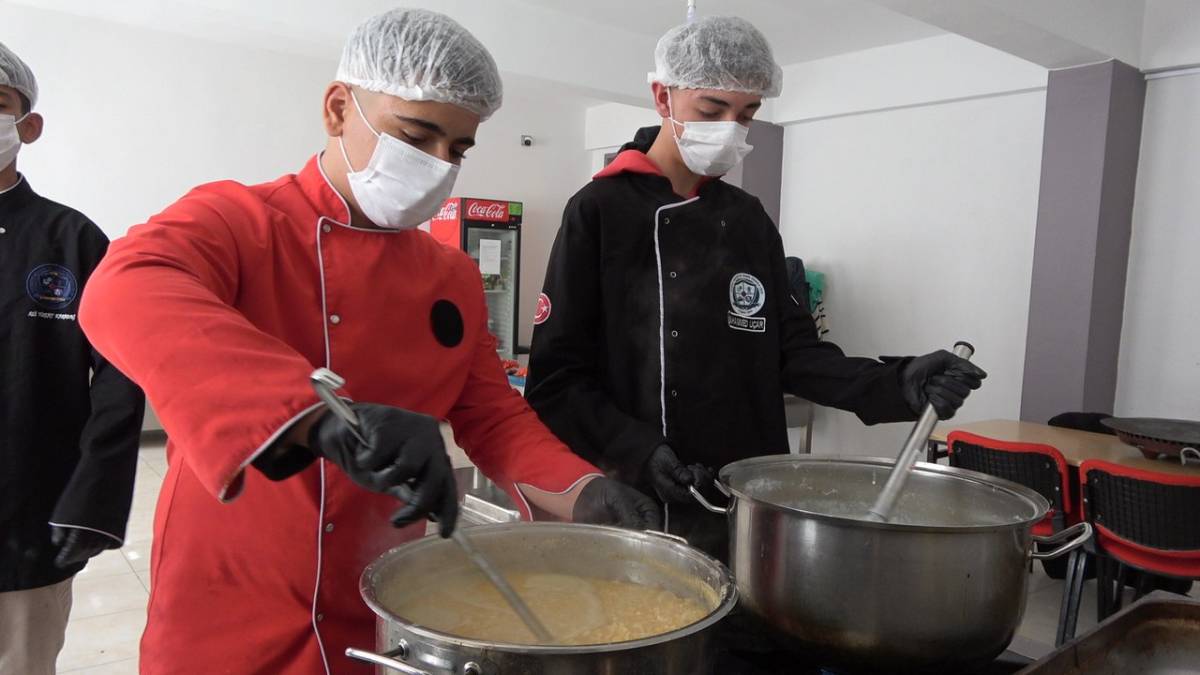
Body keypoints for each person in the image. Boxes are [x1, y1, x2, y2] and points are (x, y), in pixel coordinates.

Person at [78, 9, 657, 674]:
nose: (441, 164)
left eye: (459, 148)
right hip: (225, 610)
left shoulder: (452, 275)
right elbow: (123, 287)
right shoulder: (239, 222)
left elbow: (492, 417)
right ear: (336, 108)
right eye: (418, 134)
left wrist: (582, 488)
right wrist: (321, 417)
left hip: (385, 605)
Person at [524, 16, 987, 558]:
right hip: (637, 500)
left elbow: (794, 354)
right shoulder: (599, 210)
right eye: (712, 109)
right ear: (662, 97)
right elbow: (556, 381)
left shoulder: (746, 219)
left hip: (747, 498)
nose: (731, 129)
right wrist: (640, 451)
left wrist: (897, 382)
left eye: (747, 114)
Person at [0, 42, 146, 675]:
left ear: (26, 127)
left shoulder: (73, 240)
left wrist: (95, 496)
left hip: (25, 516)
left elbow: (122, 369)